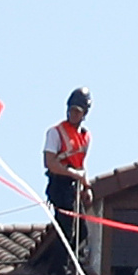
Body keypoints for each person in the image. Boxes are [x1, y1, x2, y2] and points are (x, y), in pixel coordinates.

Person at [42, 87, 92, 232]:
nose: (74, 114)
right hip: (60, 185)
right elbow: (50, 163)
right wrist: (73, 174)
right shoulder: (55, 132)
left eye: (78, 111)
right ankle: (61, 254)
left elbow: (80, 164)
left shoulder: (84, 137)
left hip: (73, 188)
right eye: (72, 110)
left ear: (84, 113)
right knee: (66, 230)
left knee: (81, 232)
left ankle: (74, 254)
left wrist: (86, 187)